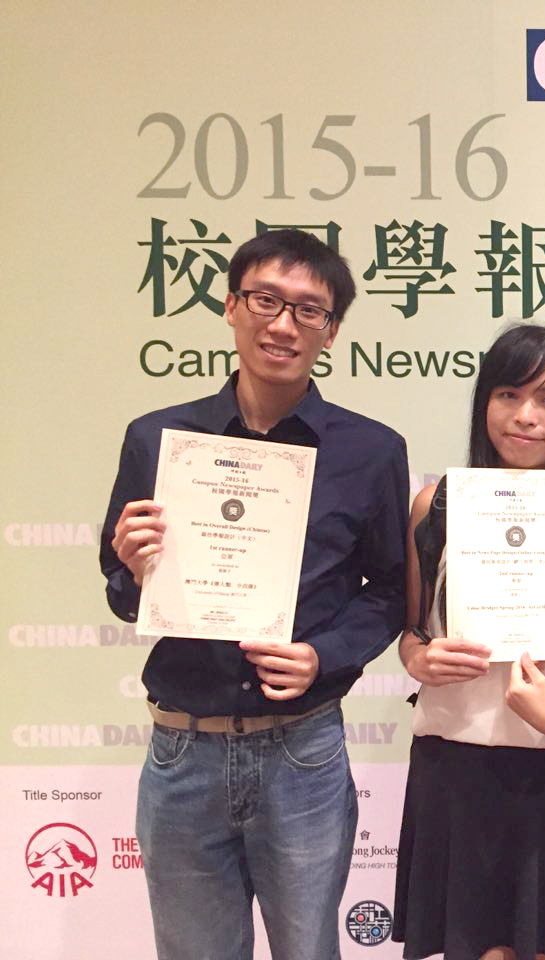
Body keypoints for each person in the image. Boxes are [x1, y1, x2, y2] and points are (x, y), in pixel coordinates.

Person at [101, 229, 409, 960]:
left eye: (309, 309)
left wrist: (323, 655)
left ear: (331, 330)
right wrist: (133, 569)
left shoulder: (372, 451)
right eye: (266, 300)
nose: (284, 324)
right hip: (183, 749)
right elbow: (120, 592)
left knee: (309, 950)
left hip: (302, 749)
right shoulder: (158, 440)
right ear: (231, 307)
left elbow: (392, 591)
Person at [393, 324, 545, 960]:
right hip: (454, 769)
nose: (526, 416)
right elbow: (412, 632)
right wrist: (420, 657)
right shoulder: (435, 505)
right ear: (485, 404)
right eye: (508, 395)